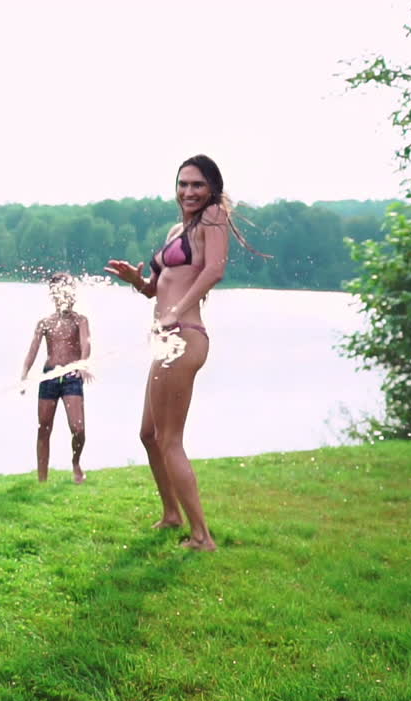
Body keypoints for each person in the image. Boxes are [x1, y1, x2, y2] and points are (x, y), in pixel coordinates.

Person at [104, 154, 268, 551]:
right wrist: (136, 281)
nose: (189, 191)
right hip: (166, 338)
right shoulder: (178, 229)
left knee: (169, 438)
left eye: (197, 184)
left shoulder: (213, 217)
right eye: (183, 184)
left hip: (185, 336)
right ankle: (172, 514)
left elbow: (214, 270)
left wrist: (177, 311)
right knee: (149, 434)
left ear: (212, 187)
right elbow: (156, 289)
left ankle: (202, 536)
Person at [19, 272, 92, 484]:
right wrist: (24, 375)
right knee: (44, 428)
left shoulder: (80, 320)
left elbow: (86, 344)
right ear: (53, 295)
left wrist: (83, 364)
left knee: (78, 429)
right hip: (49, 377)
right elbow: (32, 352)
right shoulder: (45, 323)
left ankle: (76, 462)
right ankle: (42, 480)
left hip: (71, 376)